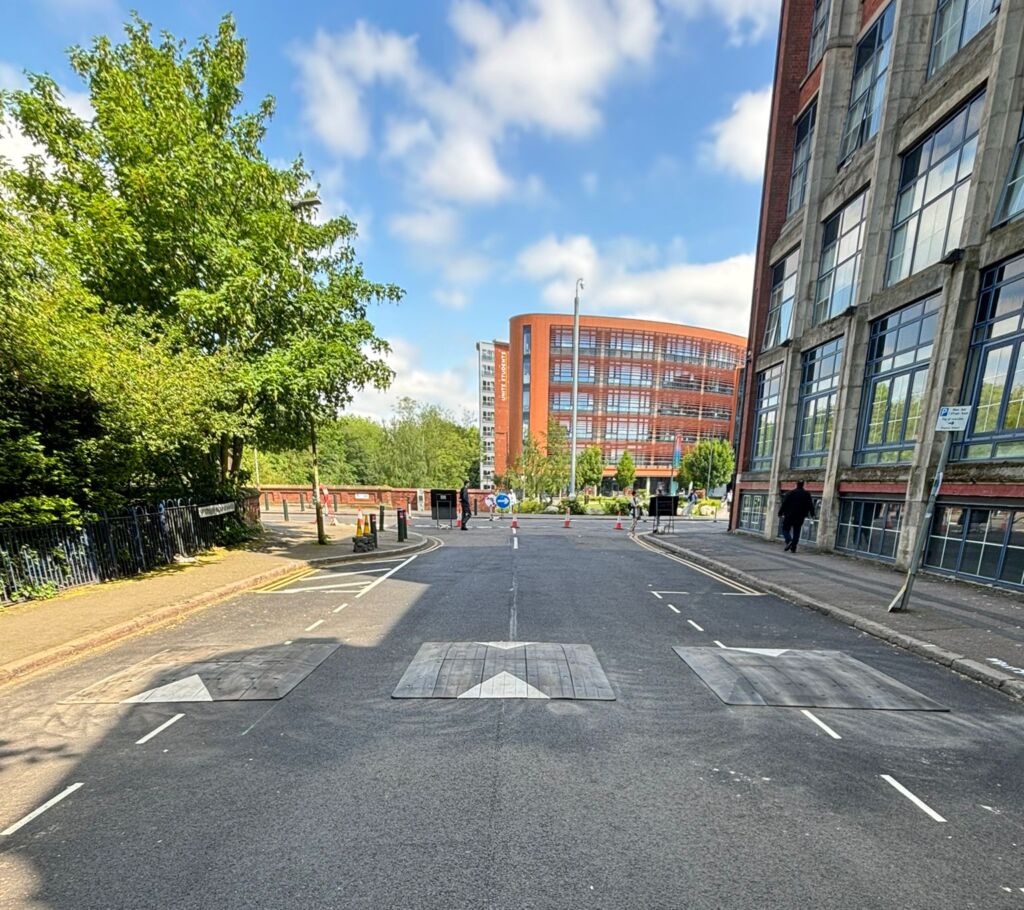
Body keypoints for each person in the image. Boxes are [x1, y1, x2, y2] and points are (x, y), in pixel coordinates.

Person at [779, 480, 815, 553]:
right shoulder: (807, 494)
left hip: (789, 515)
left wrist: (780, 512)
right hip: (800, 516)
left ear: (796, 484)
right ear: (803, 485)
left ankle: (789, 541)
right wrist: (812, 514)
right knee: (797, 531)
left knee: (785, 529)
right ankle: (793, 547)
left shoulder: (790, 493)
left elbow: (784, 503)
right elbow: (810, 505)